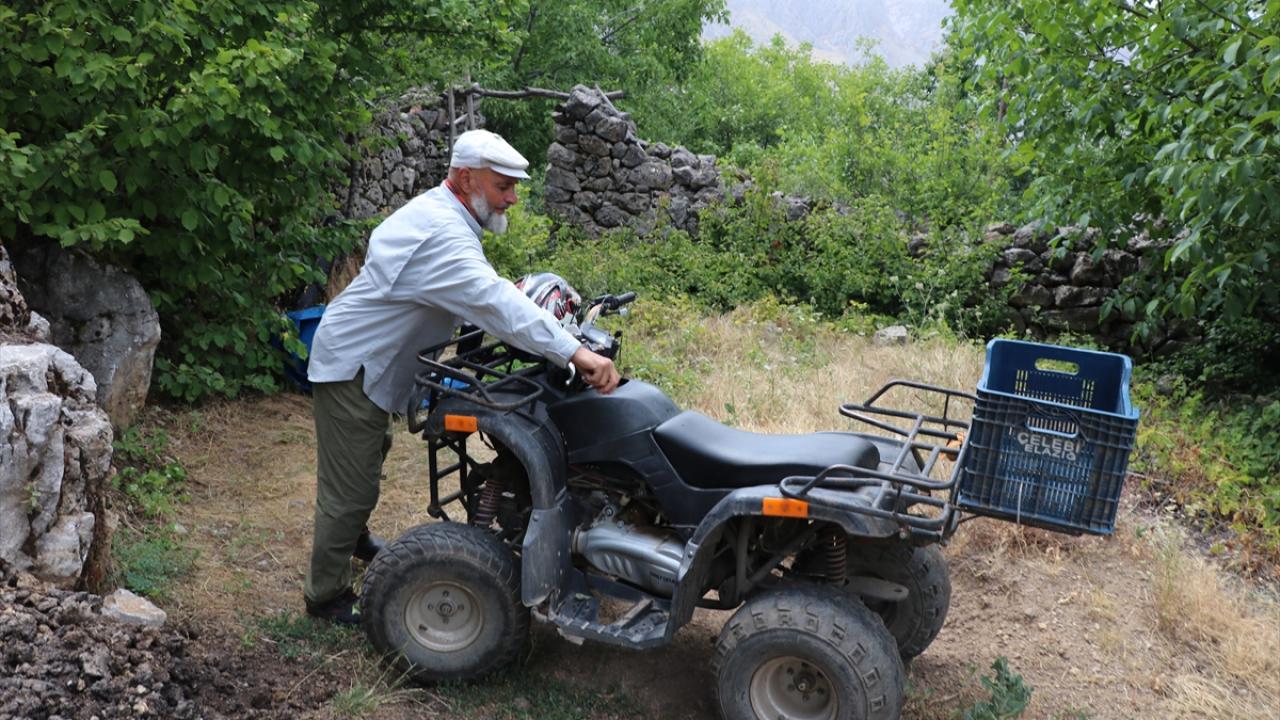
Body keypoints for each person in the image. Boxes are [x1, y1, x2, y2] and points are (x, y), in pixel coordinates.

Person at [302, 129, 620, 624]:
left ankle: (353, 540)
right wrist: (573, 352)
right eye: (502, 186)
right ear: (467, 178)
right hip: (355, 364)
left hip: (374, 361)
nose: (512, 198)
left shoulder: (447, 214)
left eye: (513, 187)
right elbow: (491, 299)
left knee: (369, 457)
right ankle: (326, 596)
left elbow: (479, 293)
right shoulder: (442, 232)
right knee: (350, 487)